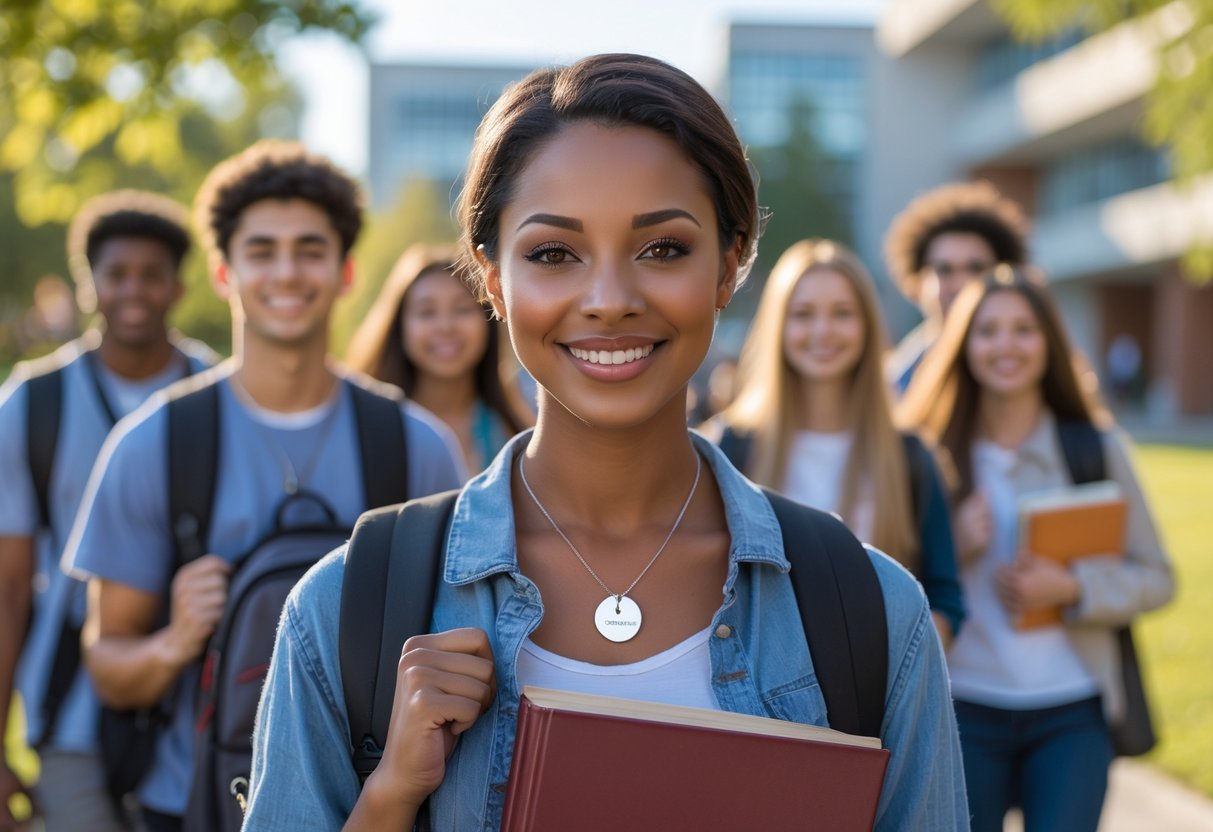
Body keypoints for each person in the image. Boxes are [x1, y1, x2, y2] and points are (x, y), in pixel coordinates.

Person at [242, 54, 967, 831]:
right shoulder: (347, 607)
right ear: (492, 281)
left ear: (729, 266)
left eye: (662, 249)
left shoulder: (871, 614)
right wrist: (388, 796)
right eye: (553, 254)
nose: (611, 300)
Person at [61, 141, 466, 831]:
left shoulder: (415, 445)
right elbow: (108, 664)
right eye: (262, 250)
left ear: (343, 272)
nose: (286, 271)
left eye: (310, 250)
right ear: (224, 271)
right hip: (188, 805)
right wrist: (175, 639)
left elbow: (457, 652)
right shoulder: (152, 444)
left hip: (369, 807)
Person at [899, 265, 1174, 831]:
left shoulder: (1094, 449)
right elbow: (887, 582)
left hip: (1072, 712)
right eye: (988, 330)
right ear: (964, 344)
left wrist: (1074, 587)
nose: (1006, 345)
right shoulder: (923, 458)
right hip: (962, 708)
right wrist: (953, 547)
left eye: (1023, 329)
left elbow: (1158, 576)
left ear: (1048, 342)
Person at [0, 190, 216, 831]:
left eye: (153, 275)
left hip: (197, 712)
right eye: (116, 274)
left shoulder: (219, 397)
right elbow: (9, 589)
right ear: (87, 283)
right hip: (69, 714)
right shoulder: (32, 406)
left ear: (179, 287)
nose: (134, 291)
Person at [711, 238, 965, 647]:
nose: (823, 331)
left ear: (867, 326)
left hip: (875, 696)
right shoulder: (731, 446)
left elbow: (945, 598)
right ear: (778, 326)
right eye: (804, 314)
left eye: (842, 313)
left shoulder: (910, 455)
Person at [345, 243, 533, 474]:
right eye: (427, 312)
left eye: (463, 309)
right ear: (399, 326)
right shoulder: (362, 427)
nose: (445, 327)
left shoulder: (521, 435)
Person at [884, 181, 1028, 392]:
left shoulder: (1031, 366)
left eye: (976, 268)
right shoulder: (893, 382)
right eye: (945, 270)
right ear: (916, 283)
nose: (962, 285)